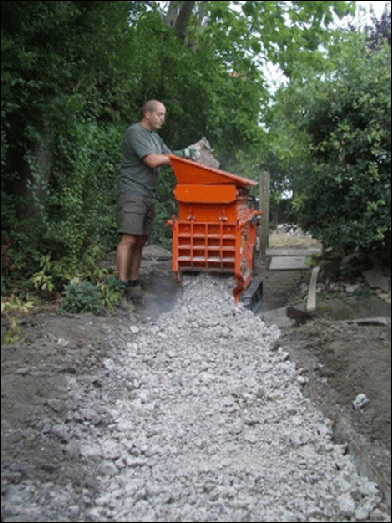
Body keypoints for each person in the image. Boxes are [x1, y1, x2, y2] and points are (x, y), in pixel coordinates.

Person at [116, 99, 194, 304]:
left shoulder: (156, 138)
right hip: (132, 191)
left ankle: (134, 283)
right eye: (159, 115)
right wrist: (182, 154)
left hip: (148, 194)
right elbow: (152, 160)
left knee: (141, 240)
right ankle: (119, 287)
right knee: (129, 239)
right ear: (147, 114)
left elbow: (170, 158)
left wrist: (193, 157)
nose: (162, 119)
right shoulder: (135, 132)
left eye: (164, 115)